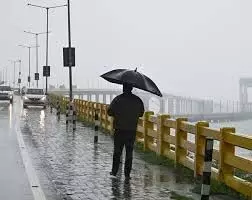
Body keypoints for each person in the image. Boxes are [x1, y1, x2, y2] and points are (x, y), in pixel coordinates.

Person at [108, 83, 144, 180]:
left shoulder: (117, 99)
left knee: (117, 152)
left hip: (119, 130)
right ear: (132, 88)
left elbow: (109, 112)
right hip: (131, 130)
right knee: (129, 152)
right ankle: (127, 174)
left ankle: (114, 171)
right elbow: (141, 113)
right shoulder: (137, 100)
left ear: (123, 88)